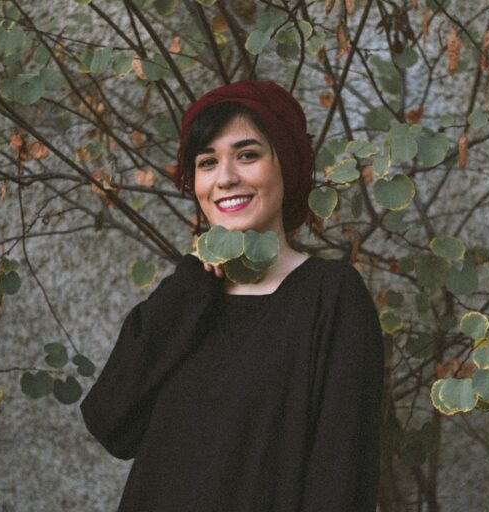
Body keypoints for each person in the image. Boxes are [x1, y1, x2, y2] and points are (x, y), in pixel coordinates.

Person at [79, 80, 384, 512]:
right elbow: (110, 420)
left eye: (247, 155)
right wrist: (190, 284)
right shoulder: (187, 298)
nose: (225, 178)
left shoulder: (330, 297)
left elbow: (340, 475)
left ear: (288, 166)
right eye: (207, 162)